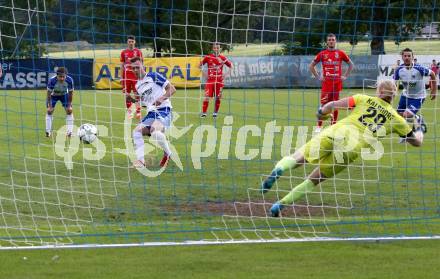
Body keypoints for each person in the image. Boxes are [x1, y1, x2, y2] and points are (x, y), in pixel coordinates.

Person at [260, 80, 425, 217]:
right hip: (352, 148)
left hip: (337, 132)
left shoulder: (362, 98)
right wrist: (419, 130)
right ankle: (278, 207)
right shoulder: (397, 119)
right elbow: (416, 142)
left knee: (297, 158)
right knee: (313, 180)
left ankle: (279, 169)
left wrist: (322, 114)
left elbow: (330, 105)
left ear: (380, 91)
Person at [130, 57, 177, 168]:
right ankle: (141, 162)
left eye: (137, 67)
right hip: (151, 113)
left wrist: (162, 98)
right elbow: (145, 103)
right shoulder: (137, 85)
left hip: (164, 110)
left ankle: (168, 154)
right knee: (136, 132)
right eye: (133, 68)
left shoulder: (153, 76)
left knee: (155, 132)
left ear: (142, 65)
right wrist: (132, 100)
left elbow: (172, 89)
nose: (136, 70)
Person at [309, 33, 354, 132]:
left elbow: (351, 64)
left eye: (333, 39)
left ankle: (333, 125)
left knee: (336, 104)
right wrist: (318, 76)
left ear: (335, 41)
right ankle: (319, 126)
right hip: (326, 83)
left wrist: (345, 76)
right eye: (329, 40)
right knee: (323, 104)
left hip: (337, 83)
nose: (331, 41)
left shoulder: (341, 53)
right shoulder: (322, 54)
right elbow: (311, 66)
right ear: (326, 42)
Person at [393, 48, 437, 121]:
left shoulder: (419, 68)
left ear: (413, 57)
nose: (407, 58)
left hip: (418, 97)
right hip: (405, 95)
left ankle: (418, 119)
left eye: (409, 56)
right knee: (399, 116)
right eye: (405, 56)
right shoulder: (399, 70)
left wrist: (434, 90)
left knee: (406, 115)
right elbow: (394, 81)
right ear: (402, 57)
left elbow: (432, 73)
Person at [200, 43, 233, 118]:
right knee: (206, 96)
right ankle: (204, 113)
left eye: (218, 48)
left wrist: (225, 75)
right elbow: (199, 66)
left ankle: (215, 113)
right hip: (210, 81)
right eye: (215, 48)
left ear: (220, 49)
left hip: (219, 81)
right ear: (213, 48)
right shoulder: (208, 57)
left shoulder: (223, 58)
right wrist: (205, 75)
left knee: (218, 97)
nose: (216, 49)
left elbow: (231, 66)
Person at [45, 67, 74, 137]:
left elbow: (71, 93)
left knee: (69, 110)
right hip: (53, 96)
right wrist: (50, 105)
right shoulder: (52, 81)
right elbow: (48, 93)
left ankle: (69, 132)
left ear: (66, 76)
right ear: (56, 76)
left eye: (63, 77)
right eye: (60, 77)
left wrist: (69, 105)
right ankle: (48, 132)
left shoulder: (70, 80)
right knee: (49, 111)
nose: (62, 78)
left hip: (64, 95)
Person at [120, 35, 143, 119]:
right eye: (129, 41)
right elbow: (122, 65)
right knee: (127, 95)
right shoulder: (123, 52)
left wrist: (141, 76)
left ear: (135, 42)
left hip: (135, 76)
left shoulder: (138, 52)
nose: (131, 43)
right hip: (126, 76)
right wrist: (121, 77)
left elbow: (141, 64)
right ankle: (129, 112)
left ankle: (138, 111)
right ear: (127, 42)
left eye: (132, 41)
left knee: (137, 94)